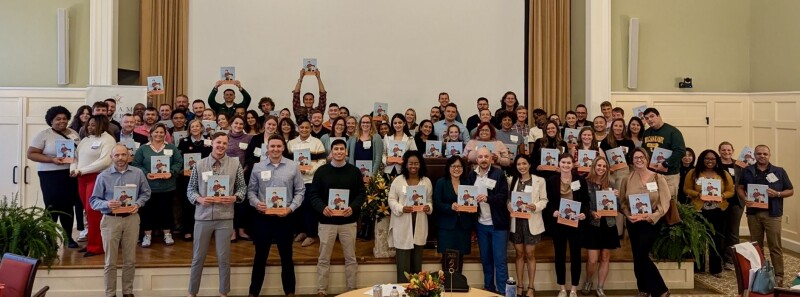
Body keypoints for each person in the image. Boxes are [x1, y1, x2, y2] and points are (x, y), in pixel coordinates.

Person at [186, 132, 246, 297]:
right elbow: (190, 189)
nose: (221, 146)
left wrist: (234, 197)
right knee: (198, 258)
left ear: (227, 145)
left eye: (224, 143)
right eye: (218, 142)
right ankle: (192, 293)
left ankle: (223, 293)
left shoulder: (235, 164)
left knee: (224, 258)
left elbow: (242, 188)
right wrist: (199, 199)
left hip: (225, 218)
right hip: (202, 217)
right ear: (212, 143)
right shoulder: (199, 164)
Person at [89, 144, 151, 297]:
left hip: (131, 219)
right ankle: (110, 294)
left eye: (124, 155)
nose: (121, 158)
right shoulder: (103, 176)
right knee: (110, 261)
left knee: (130, 260)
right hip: (110, 220)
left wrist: (138, 203)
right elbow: (93, 200)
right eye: (117, 155)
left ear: (129, 156)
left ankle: (128, 292)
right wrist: (106, 204)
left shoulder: (138, 173)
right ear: (111, 157)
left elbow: (146, 193)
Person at [247, 135, 305, 297]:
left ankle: (290, 293)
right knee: (260, 257)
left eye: (279, 146)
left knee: (286, 258)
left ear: (283, 148)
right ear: (267, 148)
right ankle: (253, 293)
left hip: (284, 218)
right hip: (263, 218)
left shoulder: (293, 166)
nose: (275, 149)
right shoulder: (258, 167)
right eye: (272, 146)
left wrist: (291, 208)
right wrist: (257, 203)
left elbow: (300, 191)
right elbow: (251, 191)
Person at [309, 139, 366, 297]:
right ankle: (321, 290)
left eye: (342, 149)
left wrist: (352, 207)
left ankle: (352, 289)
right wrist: (323, 208)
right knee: (323, 258)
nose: (339, 151)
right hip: (327, 222)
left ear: (346, 152)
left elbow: (361, 194)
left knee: (351, 258)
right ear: (331, 152)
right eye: (336, 149)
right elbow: (313, 194)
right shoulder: (321, 171)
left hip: (348, 221)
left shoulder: (354, 172)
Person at [737, 144, 793, 287]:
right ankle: (759, 274)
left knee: (775, 246)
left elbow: (790, 190)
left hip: (773, 214)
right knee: (756, 246)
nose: (762, 156)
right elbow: (740, 187)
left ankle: (779, 275)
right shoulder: (747, 170)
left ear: (769, 155)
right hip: (753, 214)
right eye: (759, 153)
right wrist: (745, 199)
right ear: (754, 155)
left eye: (765, 154)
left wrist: (778, 194)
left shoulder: (779, 171)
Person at [27, 106, 82, 248]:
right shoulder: (43, 135)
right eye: (58, 119)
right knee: (52, 206)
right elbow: (31, 153)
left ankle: (68, 237)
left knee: (68, 206)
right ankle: (49, 238)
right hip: (49, 175)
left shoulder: (73, 133)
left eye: (64, 118)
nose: (62, 121)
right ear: (51, 121)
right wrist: (52, 160)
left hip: (69, 174)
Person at [619, 148, 672, 297]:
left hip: (651, 222)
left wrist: (653, 216)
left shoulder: (657, 177)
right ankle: (643, 289)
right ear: (632, 160)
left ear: (647, 159)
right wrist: (628, 215)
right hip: (634, 222)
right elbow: (622, 202)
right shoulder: (627, 179)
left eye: (641, 157)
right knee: (637, 256)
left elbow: (665, 202)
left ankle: (661, 290)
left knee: (642, 254)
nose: (639, 160)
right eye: (636, 158)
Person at [683, 149, 734, 277]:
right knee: (698, 238)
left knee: (716, 240)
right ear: (702, 159)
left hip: (718, 210)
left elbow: (731, 191)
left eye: (712, 159)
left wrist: (722, 195)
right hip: (699, 210)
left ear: (716, 161)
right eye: (707, 158)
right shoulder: (693, 173)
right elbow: (686, 189)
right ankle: (698, 267)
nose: (710, 161)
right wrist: (698, 194)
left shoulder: (723, 174)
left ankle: (715, 268)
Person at [71, 114, 116, 257]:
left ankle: (97, 247)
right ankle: (91, 243)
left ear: (101, 125)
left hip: (96, 178)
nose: (89, 127)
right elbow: (75, 156)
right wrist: (73, 169)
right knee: (87, 212)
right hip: (81, 178)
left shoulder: (108, 140)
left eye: (93, 125)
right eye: (88, 124)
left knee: (94, 211)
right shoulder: (85, 140)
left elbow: (104, 162)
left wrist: (81, 170)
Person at [132, 123, 183, 247]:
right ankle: (147, 236)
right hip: (148, 187)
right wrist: (146, 173)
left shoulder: (171, 147)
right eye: (156, 132)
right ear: (151, 134)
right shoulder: (143, 148)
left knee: (166, 211)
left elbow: (179, 162)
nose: (159, 134)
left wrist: (171, 173)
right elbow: (136, 164)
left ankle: (167, 234)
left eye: (161, 132)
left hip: (167, 187)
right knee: (147, 212)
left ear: (165, 134)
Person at [545, 154, 588, 297]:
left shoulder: (580, 180)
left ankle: (574, 288)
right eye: (563, 162)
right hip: (559, 224)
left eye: (568, 162)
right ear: (559, 164)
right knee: (560, 256)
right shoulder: (551, 181)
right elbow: (548, 202)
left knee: (576, 256)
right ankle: (562, 288)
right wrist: (554, 211)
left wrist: (583, 213)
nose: (566, 165)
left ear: (573, 164)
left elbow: (586, 202)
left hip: (576, 223)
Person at [468, 147, 510, 293]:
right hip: (481, 225)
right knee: (486, 261)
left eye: (486, 156)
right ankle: (489, 290)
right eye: (480, 157)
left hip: (498, 225)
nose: (483, 159)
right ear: (476, 159)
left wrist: (488, 198)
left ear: (491, 158)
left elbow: (503, 196)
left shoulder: (498, 174)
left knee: (500, 261)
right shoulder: (471, 176)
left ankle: (503, 292)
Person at [388, 150, 433, 282]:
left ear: (420, 165)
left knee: (417, 262)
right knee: (403, 264)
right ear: (406, 165)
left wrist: (428, 207)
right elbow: (391, 200)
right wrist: (401, 208)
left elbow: (430, 201)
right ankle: (403, 291)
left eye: (416, 163)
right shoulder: (398, 181)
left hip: (419, 222)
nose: (413, 166)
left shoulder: (426, 181)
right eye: (411, 163)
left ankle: (417, 291)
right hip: (402, 223)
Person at [508, 155, 547, 297]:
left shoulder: (539, 181)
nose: (521, 166)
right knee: (519, 254)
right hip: (517, 222)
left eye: (524, 163)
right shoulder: (512, 180)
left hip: (532, 221)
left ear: (529, 165)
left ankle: (531, 286)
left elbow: (544, 200)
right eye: (519, 164)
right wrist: (508, 206)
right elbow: (508, 199)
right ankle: (519, 284)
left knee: (530, 254)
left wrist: (535, 206)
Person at [583, 156, 620, 297]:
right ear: (594, 166)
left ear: (607, 169)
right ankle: (588, 280)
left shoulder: (611, 183)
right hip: (593, 225)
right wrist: (591, 213)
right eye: (599, 165)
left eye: (604, 166)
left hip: (609, 224)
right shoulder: (586, 183)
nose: (601, 168)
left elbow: (616, 208)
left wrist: (616, 197)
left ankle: (600, 287)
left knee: (605, 257)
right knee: (592, 259)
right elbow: (583, 204)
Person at [287, 119, 327, 247]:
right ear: (298, 128)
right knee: (297, 207)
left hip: (310, 180)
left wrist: (309, 170)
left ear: (310, 128)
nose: (304, 130)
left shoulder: (317, 143)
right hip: (295, 181)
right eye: (301, 127)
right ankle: (301, 231)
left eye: (307, 128)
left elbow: (322, 162)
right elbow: (287, 162)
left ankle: (311, 234)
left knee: (308, 207)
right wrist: (296, 170)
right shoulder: (291, 143)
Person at [433, 156, 475, 273]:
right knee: (447, 257)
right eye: (453, 166)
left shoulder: (468, 182)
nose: (456, 169)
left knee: (460, 257)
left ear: (463, 168)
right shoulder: (441, 182)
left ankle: (457, 285)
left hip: (463, 226)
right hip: (446, 227)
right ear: (448, 168)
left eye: (459, 166)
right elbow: (437, 203)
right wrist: (450, 207)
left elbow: (472, 201)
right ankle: (446, 285)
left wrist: (471, 208)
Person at [177, 119, 212, 240]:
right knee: (188, 204)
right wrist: (183, 170)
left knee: (204, 203)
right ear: (189, 129)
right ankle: (188, 230)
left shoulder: (209, 140)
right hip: (188, 177)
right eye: (192, 127)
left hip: (205, 177)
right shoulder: (184, 141)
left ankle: (204, 231)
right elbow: (180, 159)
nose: (195, 128)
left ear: (202, 128)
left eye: (197, 126)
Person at [642, 108, 686, 199]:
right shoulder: (646, 133)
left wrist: (665, 163)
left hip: (669, 175)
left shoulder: (673, 132)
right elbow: (644, 151)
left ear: (659, 116)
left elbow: (680, 151)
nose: (649, 119)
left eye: (652, 116)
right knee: (653, 200)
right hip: (652, 175)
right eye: (646, 118)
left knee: (669, 201)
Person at [225, 115, 253, 241]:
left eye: (241, 124)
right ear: (231, 124)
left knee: (242, 203)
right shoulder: (224, 137)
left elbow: (251, 156)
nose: (238, 126)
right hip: (226, 174)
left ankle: (241, 230)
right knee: (229, 204)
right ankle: (232, 231)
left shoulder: (249, 138)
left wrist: (245, 169)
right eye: (236, 123)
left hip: (243, 173)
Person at [717, 141, 743, 270]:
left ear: (733, 151)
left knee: (733, 232)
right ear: (719, 151)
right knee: (720, 230)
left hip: (736, 202)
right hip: (719, 202)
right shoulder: (715, 164)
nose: (726, 152)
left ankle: (731, 259)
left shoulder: (739, 164)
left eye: (728, 150)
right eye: (723, 150)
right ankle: (720, 257)